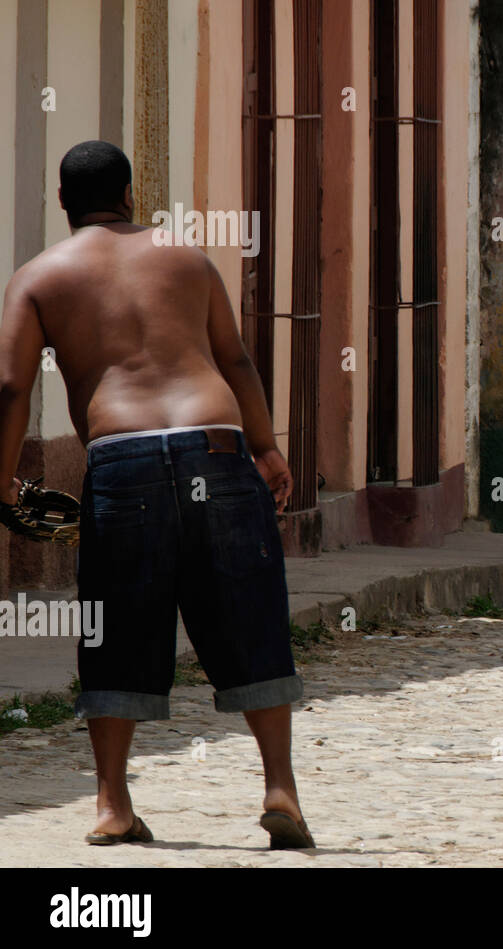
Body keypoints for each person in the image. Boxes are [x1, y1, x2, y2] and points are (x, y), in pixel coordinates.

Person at [0, 141, 311, 847]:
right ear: (132, 197)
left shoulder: (38, 277)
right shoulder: (186, 257)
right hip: (218, 444)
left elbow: (11, 385)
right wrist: (265, 445)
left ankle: (112, 803)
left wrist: (2, 479)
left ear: (61, 202)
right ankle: (280, 790)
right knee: (251, 618)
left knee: (116, 631)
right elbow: (233, 357)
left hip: (124, 457)